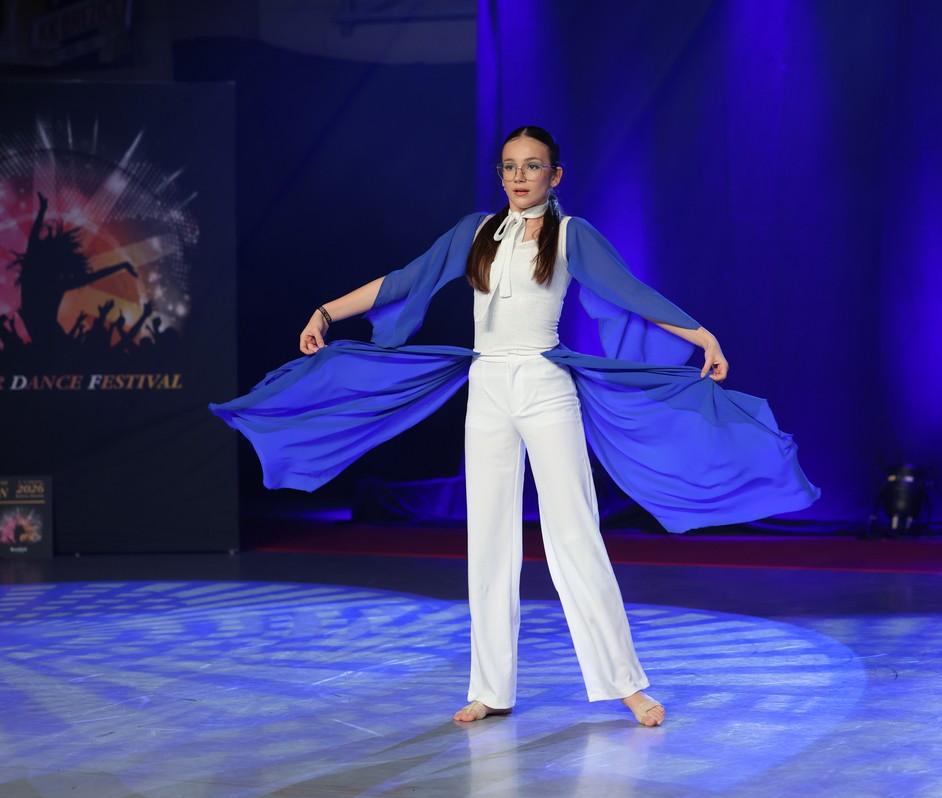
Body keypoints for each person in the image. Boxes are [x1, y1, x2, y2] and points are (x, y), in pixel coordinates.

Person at [212, 125, 819, 728]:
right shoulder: (476, 232)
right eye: (509, 165)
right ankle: (490, 688)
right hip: (487, 386)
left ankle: (626, 684)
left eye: (532, 166)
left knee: (574, 534)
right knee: (488, 540)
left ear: (555, 175)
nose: (519, 176)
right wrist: (324, 312)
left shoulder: (571, 234)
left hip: (546, 386)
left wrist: (702, 335)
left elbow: (632, 293)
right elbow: (402, 281)